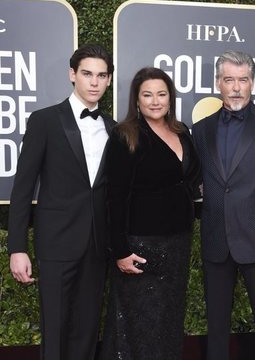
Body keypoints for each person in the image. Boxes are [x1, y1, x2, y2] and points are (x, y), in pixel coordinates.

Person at [7, 44, 115, 360]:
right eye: (87, 74)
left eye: (101, 75)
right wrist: (17, 248)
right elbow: (22, 188)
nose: (94, 82)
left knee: (87, 329)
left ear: (108, 80)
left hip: (97, 245)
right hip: (56, 244)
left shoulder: (113, 127)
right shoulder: (45, 120)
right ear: (72, 75)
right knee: (54, 330)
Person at [192, 50, 255, 360]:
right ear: (217, 84)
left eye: (243, 80)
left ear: (252, 83)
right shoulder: (201, 129)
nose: (236, 87)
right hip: (216, 241)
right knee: (216, 325)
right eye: (229, 80)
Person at [99, 67, 200, 360]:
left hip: (178, 243)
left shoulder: (182, 131)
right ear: (137, 100)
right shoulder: (125, 135)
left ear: (170, 98)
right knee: (138, 325)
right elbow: (114, 197)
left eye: (161, 94)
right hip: (140, 246)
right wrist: (120, 250)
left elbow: (189, 181)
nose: (155, 101)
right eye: (147, 95)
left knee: (168, 321)